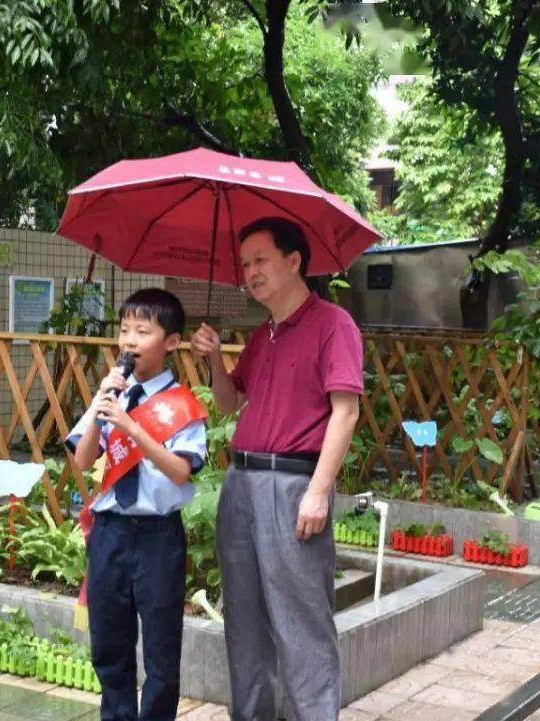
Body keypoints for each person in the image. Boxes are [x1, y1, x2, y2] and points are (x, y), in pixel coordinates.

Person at [190, 217, 363, 721]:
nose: (250, 272)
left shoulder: (334, 324)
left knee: (301, 623)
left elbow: (345, 411)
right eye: (244, 264)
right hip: (241, 482)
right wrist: (215, 362)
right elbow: (227, 405)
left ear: (294, 261)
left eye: (260, 260)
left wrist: (318, 491)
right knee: (243, 621)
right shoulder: (261, 335)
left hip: (293, 485)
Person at [67, 288, 208, 721]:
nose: (129, 340)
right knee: (109, 642)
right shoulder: (111, 393)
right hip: (110, 532)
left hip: (158, 537)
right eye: (125, 329)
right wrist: (105, 408)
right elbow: (83, 458)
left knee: (162, 649)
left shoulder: (182, 405)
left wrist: (132, 428)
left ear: (170, 342)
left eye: (142, 331)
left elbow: (181, 471)